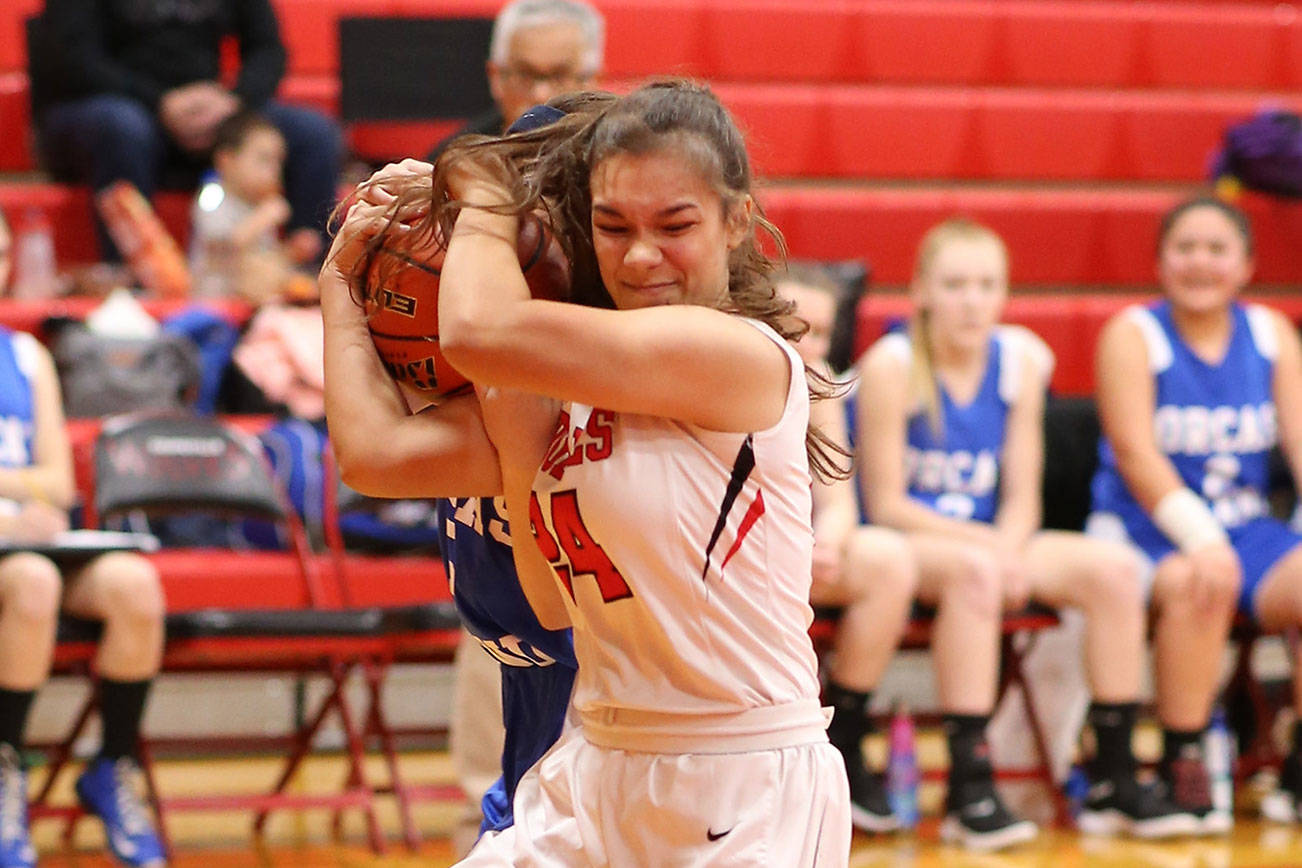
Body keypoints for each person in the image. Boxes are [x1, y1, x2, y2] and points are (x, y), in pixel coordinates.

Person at [329, 79, 851, 864]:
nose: (641, 255)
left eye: (674, 225)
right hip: (597, 757)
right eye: (612, 226)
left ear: (737, 221)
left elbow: (476, 328)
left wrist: (479, 180)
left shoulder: (737, 356)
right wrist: (339, 286)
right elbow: (544, 594)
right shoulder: (561, 384)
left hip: (737, 777)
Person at [854, 217, 1196, 848]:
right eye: (955, 284)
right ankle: (968, 785)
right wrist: (989, 550)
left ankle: (1114, 778)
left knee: (1115, 571)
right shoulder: (890, 366)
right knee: (976, 573)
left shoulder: (1018, 361)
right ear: (922, 291)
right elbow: (888, 503)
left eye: (987, 285)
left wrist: (1007, 547)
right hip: (912, 541)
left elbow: (1021, 497)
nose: (972, 300)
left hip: (993, 540)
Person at [1087, 196, 1302, 827]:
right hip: (1143, 527)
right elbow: (1134, 453)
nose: (1200, 262)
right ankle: (1184, 764)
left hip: (1245, 525)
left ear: (1247, 265)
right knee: (1203, 580)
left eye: (1217, 249)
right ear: (1160, 261)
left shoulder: (1270, 333)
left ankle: (1295, 766)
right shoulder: (1132, 333)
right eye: (1185, 248)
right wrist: (1201, 537)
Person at [0, 211, 167, 868]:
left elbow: (59, 482)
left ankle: (112, 765)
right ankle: (7, 764)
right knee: (34, 584)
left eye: (4, 251)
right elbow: (34, 479)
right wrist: (18, 495)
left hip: (29, 539)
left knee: (135, 585)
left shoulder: (26, 353)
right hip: (18, 558)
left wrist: (19, 506)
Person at [778, 264, 919, 835]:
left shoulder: (824, 384)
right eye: (794, 327)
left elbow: (839, 502)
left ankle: (847, 733)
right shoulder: (731, 374)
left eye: (823, 331)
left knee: (888, 561)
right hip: (735, 562)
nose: (809, 343)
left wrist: (828, 539)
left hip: (800, 561)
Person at [37, 0, 341, 263]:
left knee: (314, 134)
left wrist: (233, 101)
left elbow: (268, 48)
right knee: (122, 128)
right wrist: (159, 101)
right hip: (110, 106)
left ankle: (307, 274)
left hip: (212, 111)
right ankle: (129, 281)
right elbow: (72, 57)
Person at [425, 0, 604, 160]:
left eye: (559, 76)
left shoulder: (615, 162)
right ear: (496, 77)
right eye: (525, 74)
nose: (540, 95)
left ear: (592, 81)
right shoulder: (455, 160)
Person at [189, 112, 318, 304]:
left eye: (278, 162)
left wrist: (291, 253)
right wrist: (263, 217)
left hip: (254, 302)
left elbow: (262, 256)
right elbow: (222, 247)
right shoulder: (211, 195)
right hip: (216, 304)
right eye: (264, 160)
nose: (273, 171)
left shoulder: (259, 204)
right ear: (226, 160)